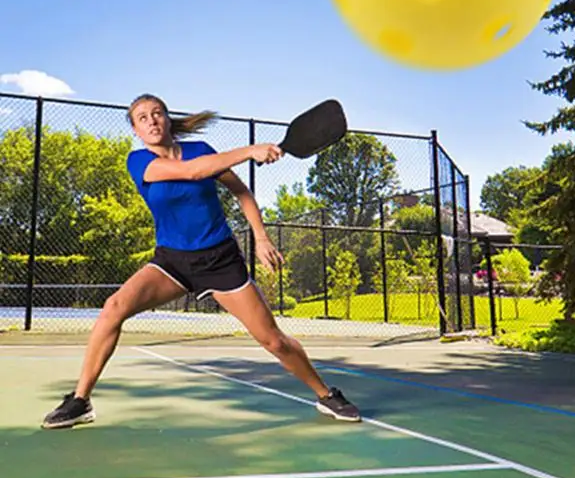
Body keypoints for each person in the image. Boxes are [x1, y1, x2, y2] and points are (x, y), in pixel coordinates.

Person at [42, 93, 361, 428]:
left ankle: (326, 395)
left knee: (273, 340)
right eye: (142, 117)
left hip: (220, 260)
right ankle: (80, 401)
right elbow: (192, 173)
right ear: (136, 129)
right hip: (172, 262)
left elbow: (241, 192)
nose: (151, 120)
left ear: (167, 119)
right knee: (113, 307)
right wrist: (250, 151)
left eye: (157, 113)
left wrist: (261, 237)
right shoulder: (138, 161)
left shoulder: (203, 151)